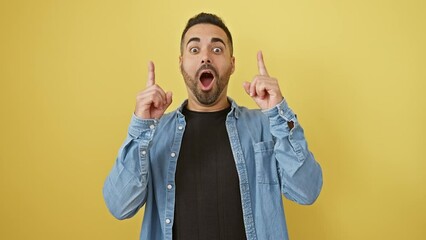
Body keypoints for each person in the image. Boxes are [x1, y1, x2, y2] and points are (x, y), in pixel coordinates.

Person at [103, 12, 323, 240]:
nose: (205, 57)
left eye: (217, 50)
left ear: (232, 64)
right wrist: (141, 126)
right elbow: (119, 205)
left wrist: (278, 113)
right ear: (181, 63)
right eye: (194, 50)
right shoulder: (154, 133)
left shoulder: (265, 126)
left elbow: (306, 191)